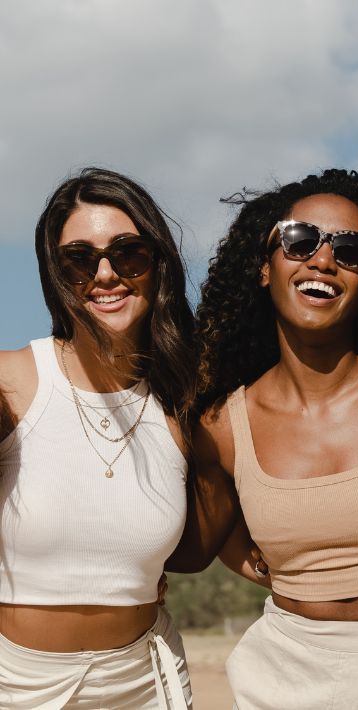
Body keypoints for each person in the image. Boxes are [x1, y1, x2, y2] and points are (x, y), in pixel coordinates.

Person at [169, 168, 358, 709]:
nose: (324, 260)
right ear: (264, 267)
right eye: (300, 240)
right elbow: (190, 552)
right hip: (279, 681)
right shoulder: (222, 426)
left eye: (351, 249)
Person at [0, 167, 195, 708]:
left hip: (144, 681)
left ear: (158, 265)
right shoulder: (11, 381)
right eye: (80, 260)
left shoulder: (183, 407)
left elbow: (221, 538)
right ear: (55, 275)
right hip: (15, 685)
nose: (105, 274)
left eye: (128, 253)